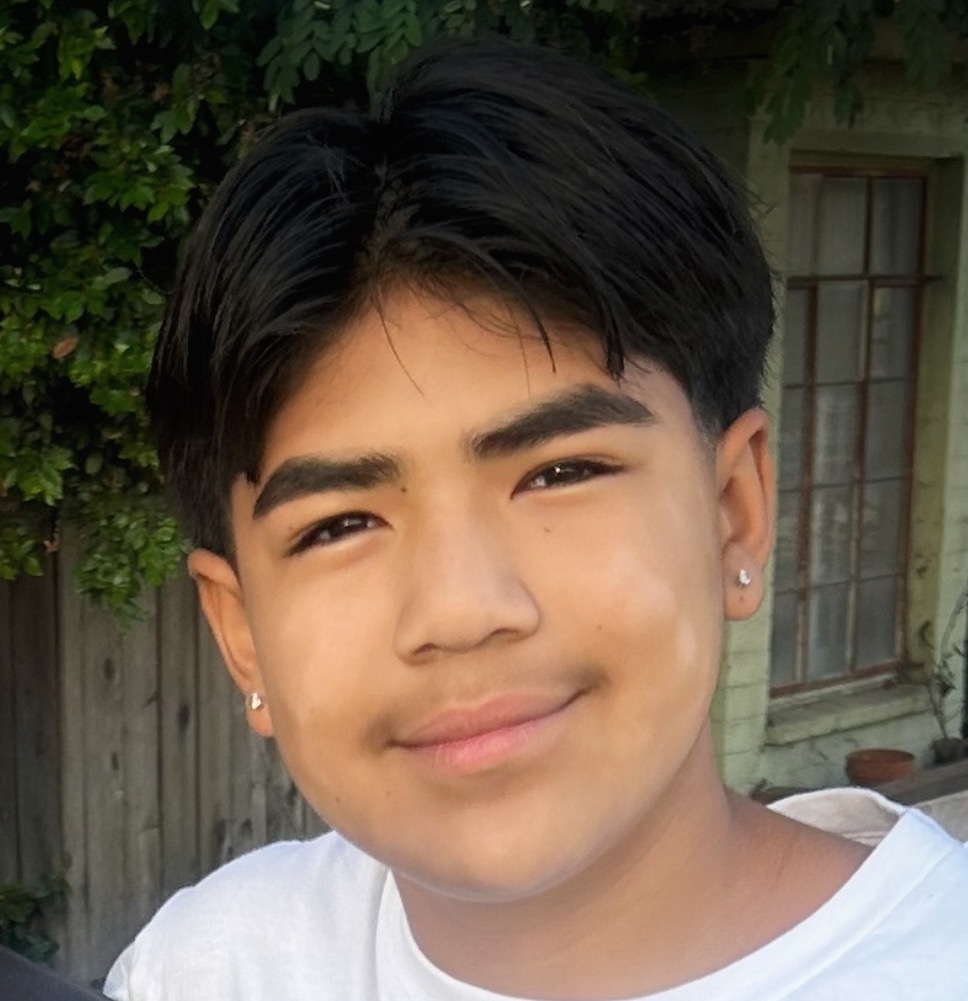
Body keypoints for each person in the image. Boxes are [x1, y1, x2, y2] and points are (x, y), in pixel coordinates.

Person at [104, 38, 968, 1001]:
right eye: (338, 525)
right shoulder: (209, 967)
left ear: (733, 510)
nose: (461, 609)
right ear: (240, 632)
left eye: (559, 471)